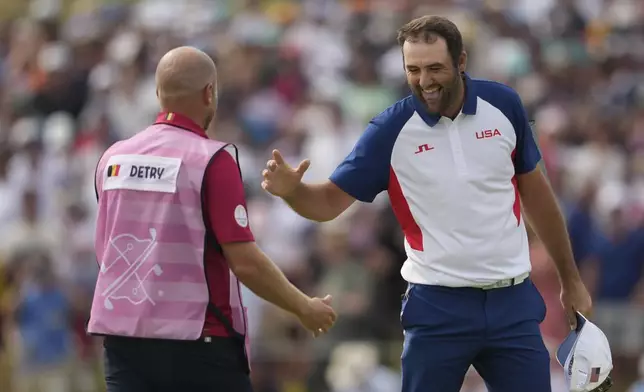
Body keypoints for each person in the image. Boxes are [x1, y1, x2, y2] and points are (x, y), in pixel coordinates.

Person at [261, 16, 592, 392]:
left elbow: (536, 194)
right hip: (437, 306)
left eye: (435, 68)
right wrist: (292, 190)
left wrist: (571, 279)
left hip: (511, 302)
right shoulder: (390, 129)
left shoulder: (504, 105)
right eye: (413, 69)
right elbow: (326, 204)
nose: (424, 81)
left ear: (461, 62)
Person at [88, 46, 337, 392]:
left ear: (159, 94)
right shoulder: (211, 160)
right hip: (199, 343)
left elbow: (106, 250)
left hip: (123, 343)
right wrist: (303, 306)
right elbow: (245, 263)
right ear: (209, 93)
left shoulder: (111, 159)